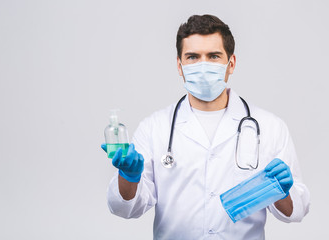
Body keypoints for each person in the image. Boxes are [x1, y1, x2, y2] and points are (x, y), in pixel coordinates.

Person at [101, 14, 310, 240]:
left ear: (231, 64)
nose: (202, 65)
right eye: (192, 57)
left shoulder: (270, 127)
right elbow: (126, 209)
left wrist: (281, 190)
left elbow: (294, 212)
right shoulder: (154, 128)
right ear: (179, 66)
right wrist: (128, 177)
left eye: (213, 56)